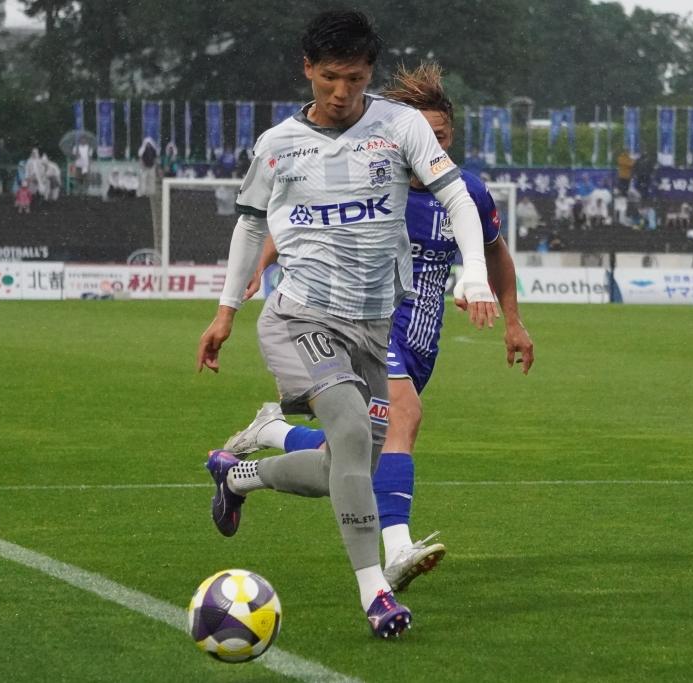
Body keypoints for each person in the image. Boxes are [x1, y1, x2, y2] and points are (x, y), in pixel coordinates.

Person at [195, 10, 498, 639]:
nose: (341, 92)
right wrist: (226, 312)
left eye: (355, 79)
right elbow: (250, 225)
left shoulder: (400, 126)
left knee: (344, 461)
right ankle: (376, 592)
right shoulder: (278, 144)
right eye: (330, 77)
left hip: (373, 326)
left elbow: (456, 196)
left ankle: (239, 474)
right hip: (300, 316)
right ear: (307, 68)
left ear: (369, 73)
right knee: (354, 432)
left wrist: (474, 273)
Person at [223, 62, 534, 596]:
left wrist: (514, 321)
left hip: (420, 343)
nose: (432, 146)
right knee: (402, 420)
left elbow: (494, 252)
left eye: (441, 137)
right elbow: (296, 215)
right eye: (425, 135)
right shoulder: (370, 173)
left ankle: (263, 442)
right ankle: (395, 553)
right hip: (366, 325)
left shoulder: (465, 193)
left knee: (356, 453)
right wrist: (258, 264)